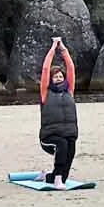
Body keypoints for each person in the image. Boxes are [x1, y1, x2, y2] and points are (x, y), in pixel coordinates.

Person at [38, 37, 80, 187]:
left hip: (68, 133)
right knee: (62, 145)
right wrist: (53, 48)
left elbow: (71, 68)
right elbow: (44, 69)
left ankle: (51, 177)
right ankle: (58, 179)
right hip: (49, 137)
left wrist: (63, 49)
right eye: (55, 76)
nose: (58, 78)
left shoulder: (69, 91)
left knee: (70, 148)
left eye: (60, 76)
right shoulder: (45, 93)